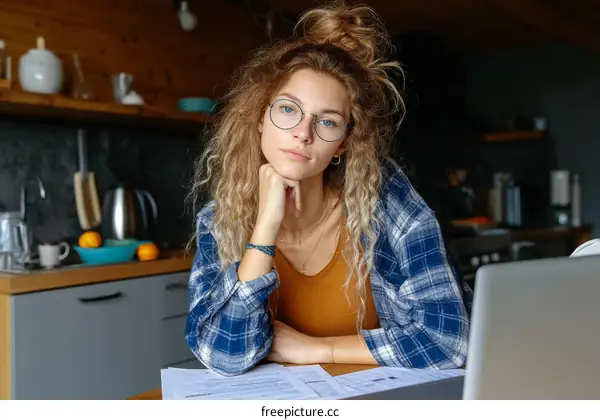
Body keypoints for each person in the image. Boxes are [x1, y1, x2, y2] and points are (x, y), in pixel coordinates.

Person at [185, 1, 471, 377]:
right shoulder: (220, 221)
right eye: (288, 110)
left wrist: (315, 350)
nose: (303, 133)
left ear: (342, 144)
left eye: (328, 122)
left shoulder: (385, 204)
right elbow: (224, 356)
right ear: (259, 118)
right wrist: (265, 227)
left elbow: (449, 342)